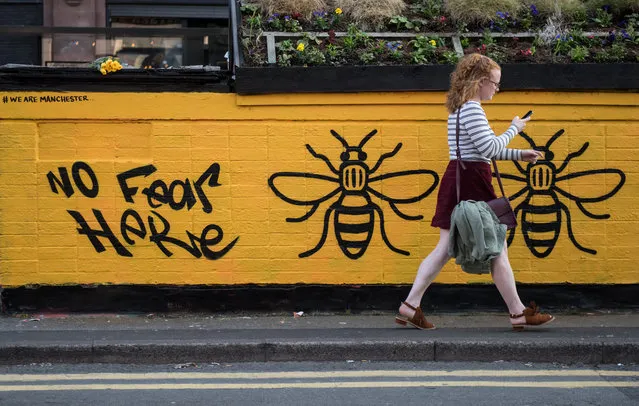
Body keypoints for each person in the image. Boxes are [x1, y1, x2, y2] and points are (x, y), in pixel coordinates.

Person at [394, 53, 554, 331]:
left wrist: (520, 155)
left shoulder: (459, 109)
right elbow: (489, 149)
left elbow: (479, 150)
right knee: (496, 245)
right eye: (494, 83)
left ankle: (409, 306)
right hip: (472, 182)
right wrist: (514, 129)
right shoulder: (472, 109)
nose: (496, 89)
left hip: (461, 176)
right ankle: (518, 312)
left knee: (446, 248)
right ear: (480, 81)